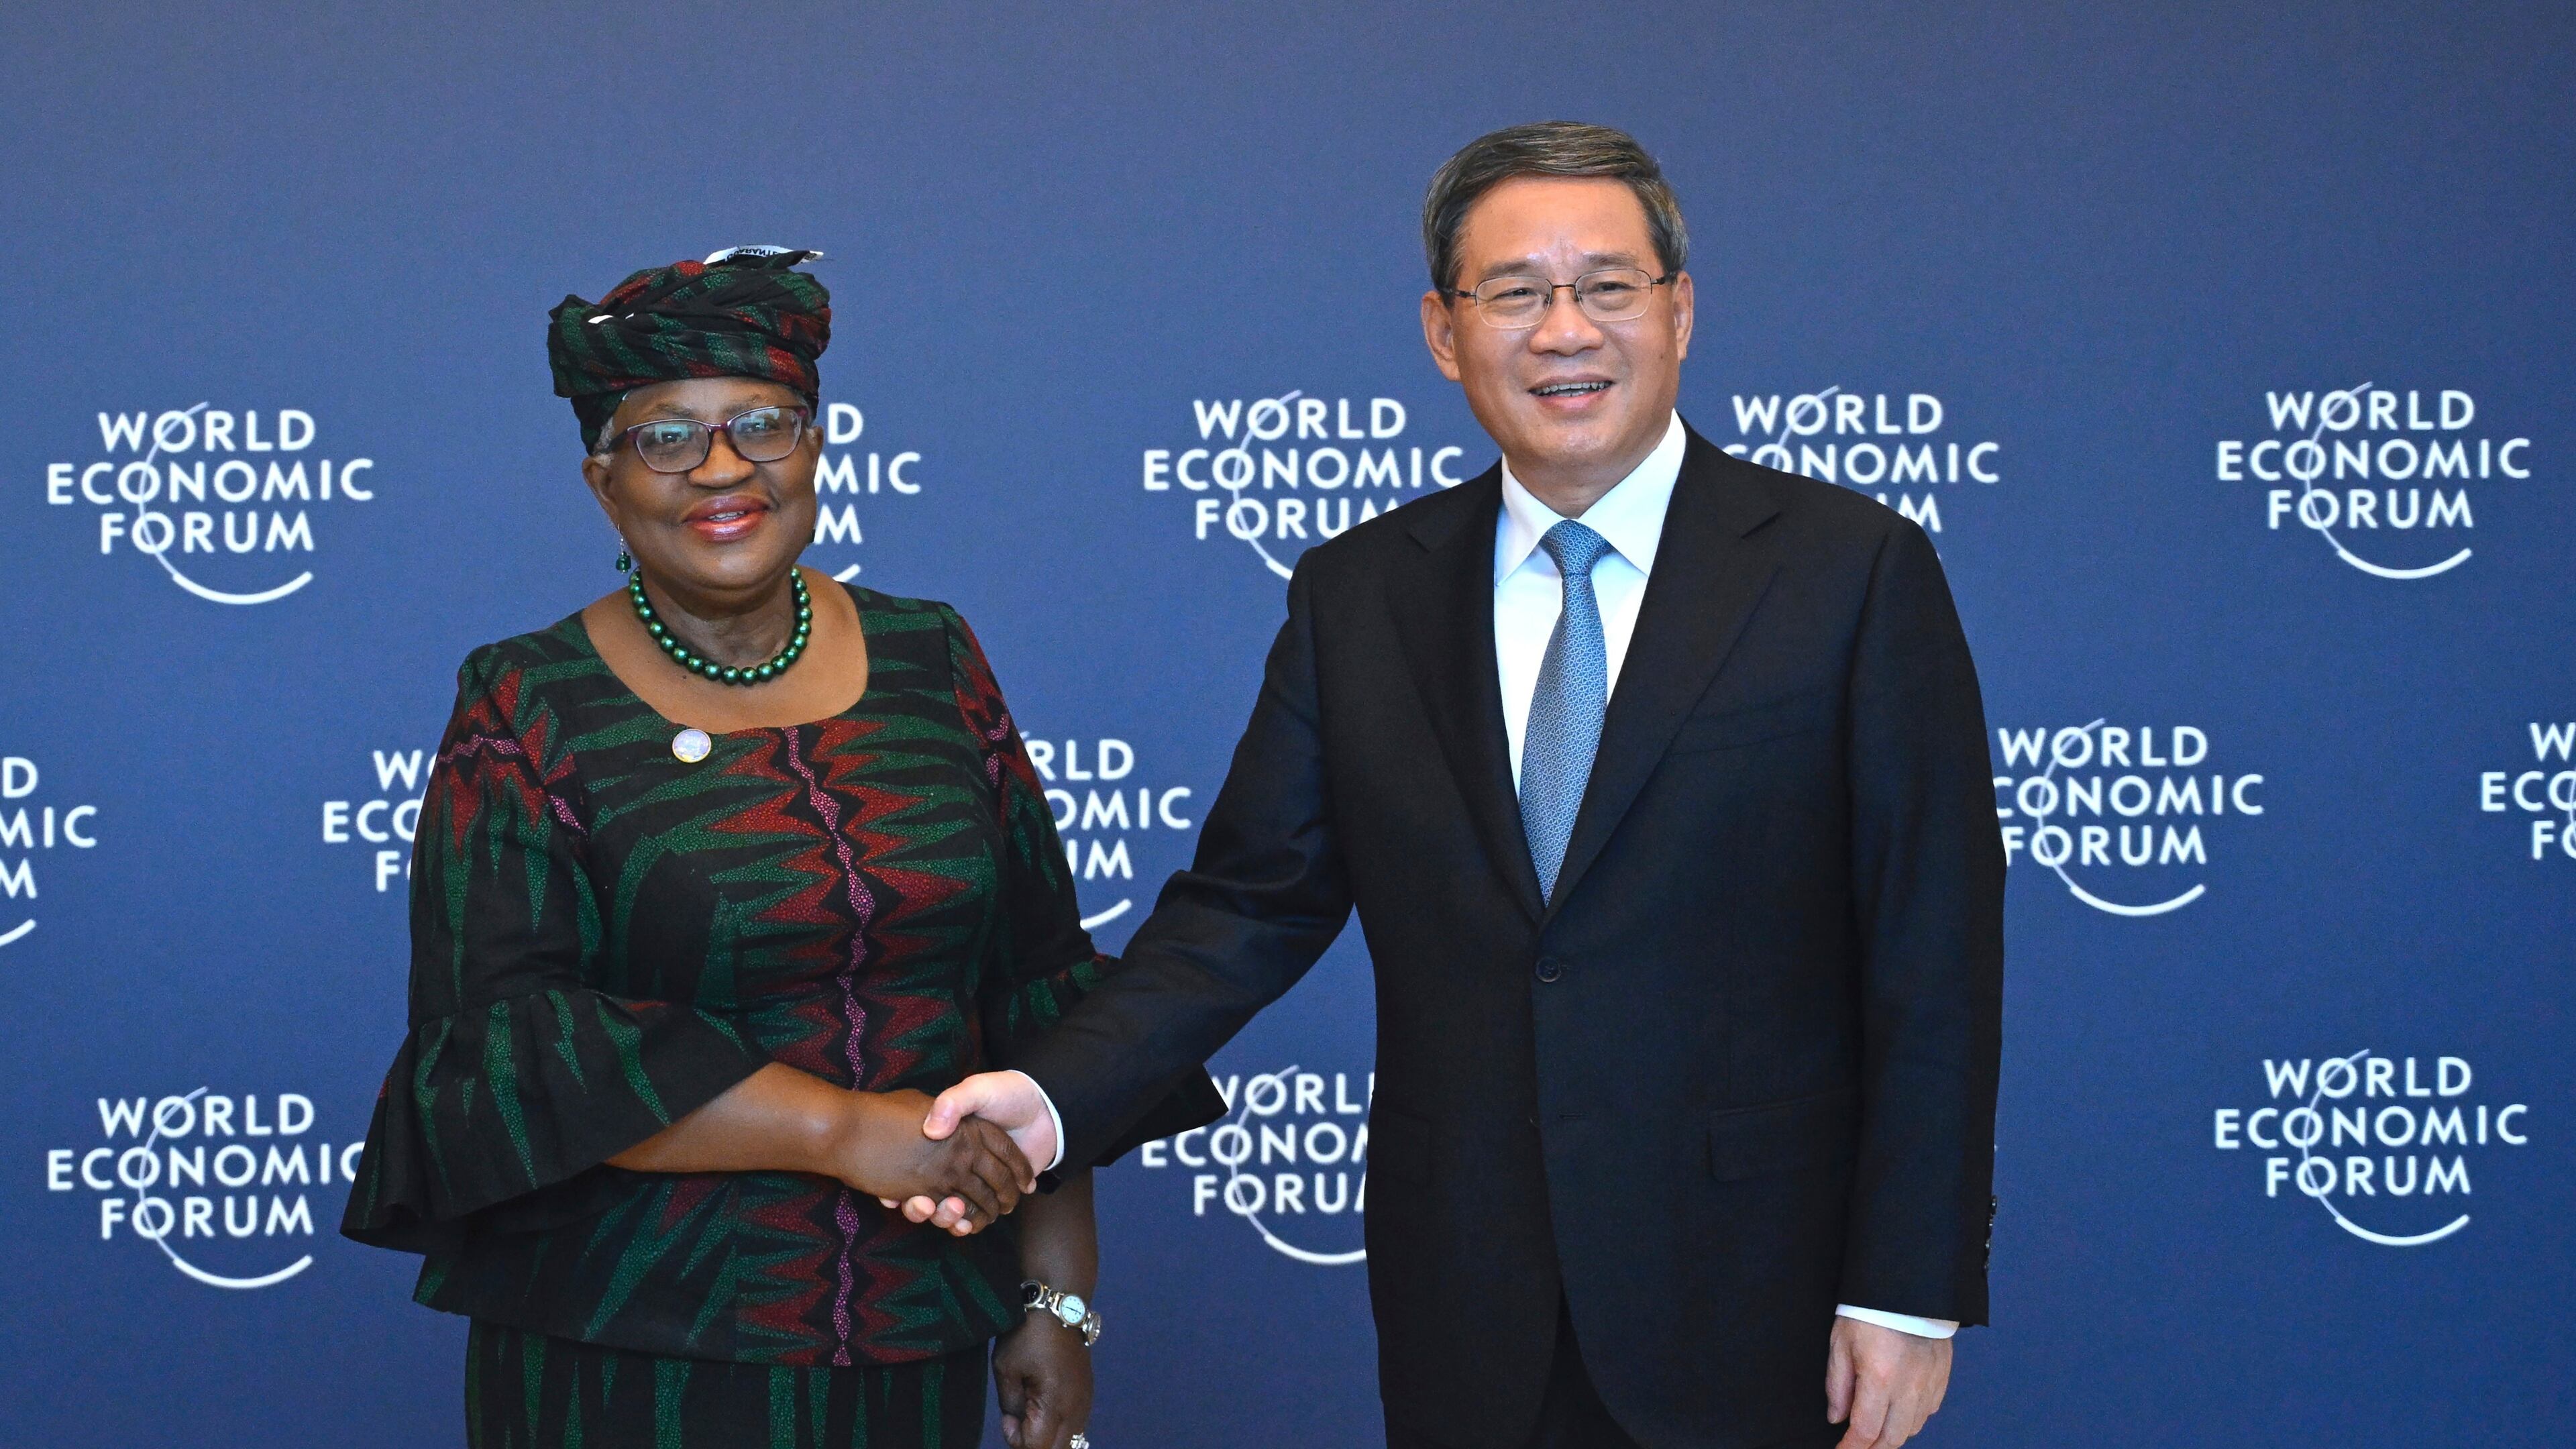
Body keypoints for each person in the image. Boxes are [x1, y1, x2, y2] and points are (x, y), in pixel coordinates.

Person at [914, 125, 2006, 1449]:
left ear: (1680, 311)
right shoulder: (1359, 594)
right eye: (1514, 292)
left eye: (1607, 286)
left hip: (1758, 1296)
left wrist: (1906, 1292)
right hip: (1469, 1299)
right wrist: (1044, 1101)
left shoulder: (1851, 571)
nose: (1565, 331)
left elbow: (1931, 954)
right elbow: (1246, 908)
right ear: (1444, 331)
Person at [340, 246, 1217, 1449]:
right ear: (603, 481)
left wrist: (1057, 1301)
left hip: (913, 1325)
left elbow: (1033, 988)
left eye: (762, 425)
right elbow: (513, 1046)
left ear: (813, 447)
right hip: (628, 1343)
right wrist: (843, 1132)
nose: (720, 469)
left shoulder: (935, 657)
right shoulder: (526, 702)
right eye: (666, 437)